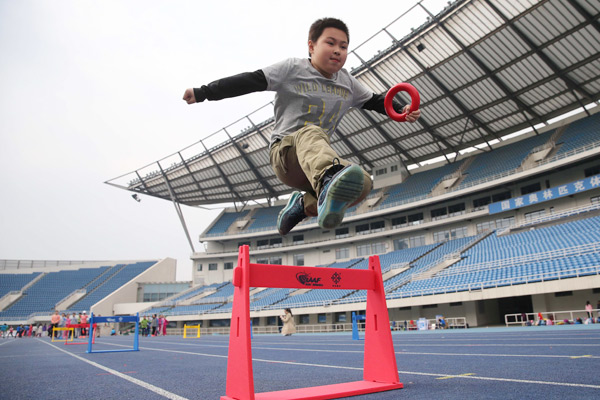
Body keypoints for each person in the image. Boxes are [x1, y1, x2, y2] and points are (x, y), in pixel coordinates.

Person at [183, 18, 421, 235]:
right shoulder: (293, 69)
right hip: (285, 155)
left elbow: (377, 101)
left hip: (313, 165)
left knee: (363, 182)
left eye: (344, 46)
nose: (338, 50)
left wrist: (402, 109)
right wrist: (204, 92)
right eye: (331, 43)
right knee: (311, 131)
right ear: (311, 46)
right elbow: (250, 81)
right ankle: (328, 179)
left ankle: (303, 205)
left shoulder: (347, 82)